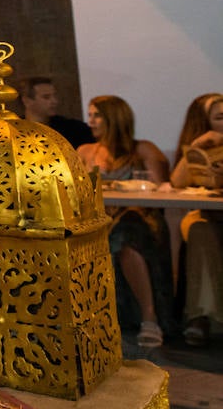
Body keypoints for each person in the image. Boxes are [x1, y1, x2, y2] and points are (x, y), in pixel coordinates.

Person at [77, 95, 172, 348]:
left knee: (127, 231)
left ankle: (149, 317)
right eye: (90, 114)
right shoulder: (86, 152)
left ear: (115, 118)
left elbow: (161, 190)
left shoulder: (143, 150)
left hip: (138, 216)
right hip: (99, 218)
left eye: (97, 115)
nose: (91, 121)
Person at [172, 93, 223, 346]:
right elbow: (177, 183)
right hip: (204, 214)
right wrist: (197, 146)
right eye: (220, 118)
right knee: (199, 230)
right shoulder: (199, 145)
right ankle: (202, 317)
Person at [19, 76, 92, 149]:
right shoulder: (16, 130)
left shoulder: (73, 129)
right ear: (27, 101)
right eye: (46, 97)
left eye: (54, 95)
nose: (54, 101)